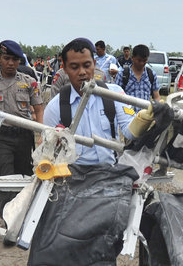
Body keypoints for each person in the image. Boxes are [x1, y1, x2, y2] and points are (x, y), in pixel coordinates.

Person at [28, 38, 160, 265]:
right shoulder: (56, 106)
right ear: (64, 68)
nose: (82, 72)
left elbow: (129, 133)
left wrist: (144, 119)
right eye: (75, 67)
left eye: (87, 65)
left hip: (109, 180)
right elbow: (46, 151)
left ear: (94, 65)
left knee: (104, 245)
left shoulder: (115, 95)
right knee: (71, 243)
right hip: (72, 184)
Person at [0, 40, 44, 220]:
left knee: (24, 178)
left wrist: (41, 135)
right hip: (0, 137)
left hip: (24, 137)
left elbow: (38, 108)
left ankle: (21, 219)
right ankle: (8, 222)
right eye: (6, 58)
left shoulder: (30, 82)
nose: (10, 63)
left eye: (15, 59)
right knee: (5, 179)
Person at [115, 44, 161, 111]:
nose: (142, 63)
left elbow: (156, 97)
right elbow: (116, 98)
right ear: (132, 58)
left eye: (144, 60)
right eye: (139, 60)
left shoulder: (151, 74)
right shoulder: (122, 74)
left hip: (145, 117)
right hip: (127, 117)